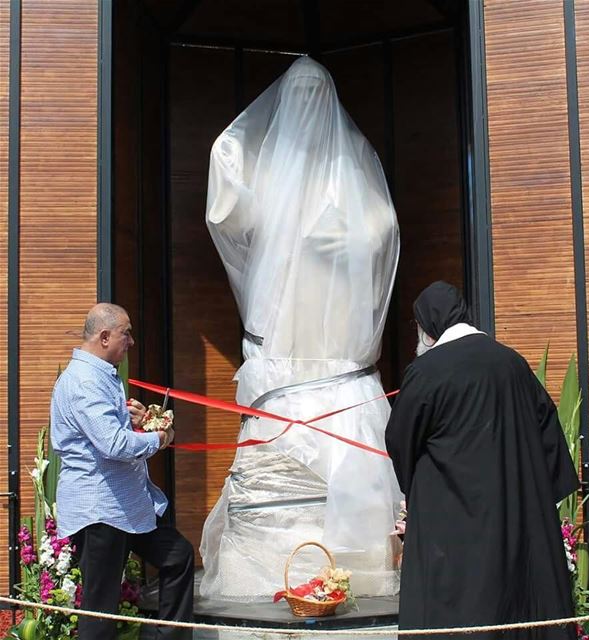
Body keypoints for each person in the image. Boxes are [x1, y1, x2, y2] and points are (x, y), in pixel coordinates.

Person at [199, 56, 402, 599]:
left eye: (318, 94)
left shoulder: (353, 156)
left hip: (334, 332)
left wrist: (353, 238)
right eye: (300, 94)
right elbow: (231, 216)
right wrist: (226, 164)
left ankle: (349, 571)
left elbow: (383, 224)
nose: (308, 106)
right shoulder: (265, 164)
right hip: (283, 334)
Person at [385, 281, 579, 639]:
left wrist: (417, 491)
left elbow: (400, 440)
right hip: (515, 520)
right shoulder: (513, 363)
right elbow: (549, 435)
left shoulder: (427, 372)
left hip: (456, 528)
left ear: (428, 328)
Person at [51, 303, 194, 640]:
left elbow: (112, 432)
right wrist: (159, 438)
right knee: (99, 609)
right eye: (125, 333)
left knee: (178, 556)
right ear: (104, 336)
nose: (131, 341)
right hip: (99, 509)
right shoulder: (85, 381)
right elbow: (113, 445)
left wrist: (142, 423)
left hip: (126, 505)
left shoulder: (102, 375)